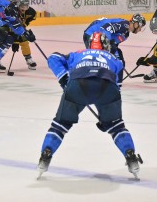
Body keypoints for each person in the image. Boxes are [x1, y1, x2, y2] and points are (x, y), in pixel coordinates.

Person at [37, 32, 143, 180]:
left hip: (77, 85)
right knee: (117, 126)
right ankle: (130, 155)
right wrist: (107, 119)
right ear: (106, 45)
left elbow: (53, 57)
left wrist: (63, 78)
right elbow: (116, 88)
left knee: (60, 125)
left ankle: (46, 154)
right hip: (107, 87)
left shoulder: (77, 54)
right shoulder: (115, 59)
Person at [0, 0, 38, 71]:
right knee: (4, 41)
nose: (24, 8)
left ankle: (28, 58)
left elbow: (27, 21)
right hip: (6, 27)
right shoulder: (10, 10)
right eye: (22, 6)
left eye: (26, 6)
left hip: (18, 28)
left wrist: (21, 31)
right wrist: (15, 40)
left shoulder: (31, 12)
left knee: (24, 39)